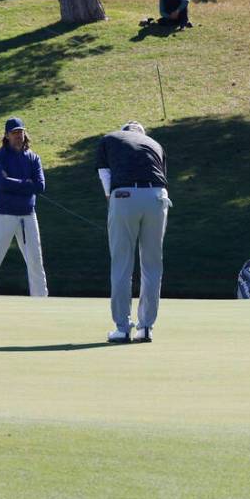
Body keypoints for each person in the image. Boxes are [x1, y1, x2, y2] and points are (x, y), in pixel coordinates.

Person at [96, 121, 171, 343]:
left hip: (124, 196)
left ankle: (122, 327)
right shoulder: (155, 144)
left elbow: (104, 175)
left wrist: (114, 205)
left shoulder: (110, 138)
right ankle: (146, 327)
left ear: (124, 131)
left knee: (122, 263)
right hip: (158, 197)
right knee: (152, 265)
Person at [0, 117, 48, 296]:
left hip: (28, 216)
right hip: (3, 216)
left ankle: (42, 303)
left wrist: (13, 182)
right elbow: (0, 182)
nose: (18, 136)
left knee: (35, 262)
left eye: (21, 132)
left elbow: (40, 186)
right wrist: (27, 184)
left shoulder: (33, 158)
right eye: (14, 133)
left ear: (25, 134)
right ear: (7, 135)